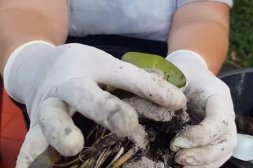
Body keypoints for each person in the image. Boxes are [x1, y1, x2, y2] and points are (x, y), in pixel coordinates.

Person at [0, 0, 237, 167]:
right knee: (62, 138)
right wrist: (30, 59)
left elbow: (203, 15)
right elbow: (25, 8)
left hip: (163, 59)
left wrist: (191, 60)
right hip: (65, 64)